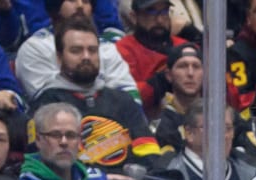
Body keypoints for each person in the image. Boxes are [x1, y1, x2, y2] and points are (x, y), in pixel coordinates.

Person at [31, 18, 166, 170]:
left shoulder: (123, 101)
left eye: (92, 50)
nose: (86, 56)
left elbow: (149, 153)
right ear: (59, 57)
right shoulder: (45, 104)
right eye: (76, 50)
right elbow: (41, 163)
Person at [16, 0, 141, 102]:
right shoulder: (35, 48)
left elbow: (130, 97)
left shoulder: (107, 48)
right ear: (55, 7)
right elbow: (47, 100)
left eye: (86, 1)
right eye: (72, 0)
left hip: (113, 124)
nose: (80, 5)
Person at [115, 0, 176, 105]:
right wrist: (159, 82)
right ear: (134, 17)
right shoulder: (122, 50)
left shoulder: (184, 46)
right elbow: (125, 95)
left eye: (164, 11)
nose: (160, 20)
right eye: (151, 12)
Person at [151, 41, 206, 141]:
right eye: (183, 66)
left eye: (196, 66)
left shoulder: (220, 116)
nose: (190, 73)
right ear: (169, 75)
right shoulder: (160, 123)